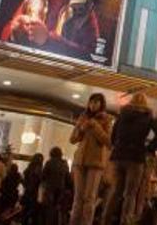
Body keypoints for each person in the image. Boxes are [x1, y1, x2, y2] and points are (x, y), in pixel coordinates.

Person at [103, 92, 157, 225]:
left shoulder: (122, 115)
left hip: (118, 156)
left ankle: (105, 220)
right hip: (135, 157)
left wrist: (117, 146)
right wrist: (150, 148)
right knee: (130, 194)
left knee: (116, 191)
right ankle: (125, 222)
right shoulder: (147, 116)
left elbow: (113, 135)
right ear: (145, 104)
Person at [69, 93, 112, 225]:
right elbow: (72, 139)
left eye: (96, 102)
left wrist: (96, 127)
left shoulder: (107, 119)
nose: (93, 105)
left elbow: (109, 141)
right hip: (79, 162)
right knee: (78, 197)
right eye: (91, 102)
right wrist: (81, 129)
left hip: (95, 163)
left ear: (101, 104)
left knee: (89, 198)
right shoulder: (83, 117)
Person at [42, 147, 70, 225]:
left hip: (50, 188)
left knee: (49, 210)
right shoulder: (64, 163)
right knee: (58, 209)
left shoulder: (49, 162)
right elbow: (67, 177)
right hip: (61, 189)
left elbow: (43, 176)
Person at [21, 153, 44, 225]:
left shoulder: (29, 167)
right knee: (33, 212)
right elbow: (39, 180)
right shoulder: (38, 168)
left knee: (25, 211)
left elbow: (24, 179)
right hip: (34, 193)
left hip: (27, 191)